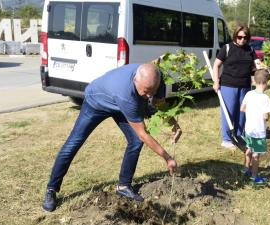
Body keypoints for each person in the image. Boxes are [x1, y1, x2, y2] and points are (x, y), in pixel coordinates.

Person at [42, 63, 182, 212]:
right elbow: (143, 134)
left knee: (134, 142)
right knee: (74, 143)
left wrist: (174, 123)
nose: (148, 96)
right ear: (135, 80)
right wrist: (167, 158)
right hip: (96, 101)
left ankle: (123, 186)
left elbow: (159, 103)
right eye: (145, 91)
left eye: (152, 92)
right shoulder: (125, 93)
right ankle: (51, 189)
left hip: (119, 102)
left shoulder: (156, 79)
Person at [212, 26, 258, 149]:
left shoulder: (250, 49)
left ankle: (239, 135)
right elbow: (216, 66)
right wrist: (216, 82)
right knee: (229, 112)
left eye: (245, 38)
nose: (242, 40)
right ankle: (226, 139)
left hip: (245, 86)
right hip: (228, 85)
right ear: (235, 36)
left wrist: (265, 72)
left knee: (242, 113)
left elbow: (255, 67)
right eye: (240, 37)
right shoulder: (227, 48)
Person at [240, 70, 270, 184]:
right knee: (256, 154)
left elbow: (242, 108)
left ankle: (245, 169)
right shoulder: (265, 98)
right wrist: (267, 117)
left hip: (249, 129)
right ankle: (254, 177)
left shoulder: (249, 94)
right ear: (266, 83)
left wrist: (252, 111)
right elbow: (266, 116)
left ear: (255, 81)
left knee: (248, 148)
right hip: (259, 132)